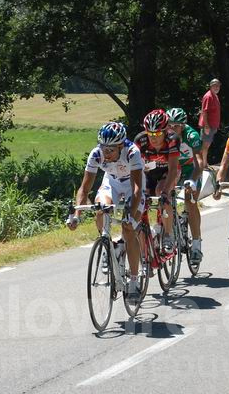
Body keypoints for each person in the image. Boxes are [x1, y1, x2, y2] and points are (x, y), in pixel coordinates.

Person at [67, 121, 145, 300]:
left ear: (120, 146)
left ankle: (133, 281)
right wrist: (76, 215)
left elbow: (137, 190)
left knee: (129, 229)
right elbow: (84, 189)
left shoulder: (132, 152)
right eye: (103, 148)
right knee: (100, 208)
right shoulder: (96, 155)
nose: (106, 153)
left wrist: (131, 217)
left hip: (133, 185)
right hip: (111, 183)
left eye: (110, 150)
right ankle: (106, 246)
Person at [135, 109, 180, 253]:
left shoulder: (173, 139)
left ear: (166, 130)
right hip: (149, 170)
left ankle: (168, 234)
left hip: (168, 171)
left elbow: (173, 169)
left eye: (158, 134)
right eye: (150, 133)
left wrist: (166, 192)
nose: (153, 138)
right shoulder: (140, 140)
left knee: (161, 192)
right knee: (142, 199)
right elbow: (136, 169)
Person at [167, 107, 204, 264]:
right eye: (170, 125)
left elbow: (200, 162)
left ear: (183, 125)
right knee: (165, 196)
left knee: (190, 201)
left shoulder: (191, 135)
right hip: (175, 168)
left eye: (177, 125)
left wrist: (193, 180)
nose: (173, 128)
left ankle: (196, 245)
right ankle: (167, 235)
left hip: (191, 169)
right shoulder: (165, 136)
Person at [198, 79, 221, 170]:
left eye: (218, 86)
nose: (217, 87)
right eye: (215, 85)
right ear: (211, 86)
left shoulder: (215, 96)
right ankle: (203, 164)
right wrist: (206, 125)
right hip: (208, 126)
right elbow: (205, 111)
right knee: (205, 145)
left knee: (207, 145)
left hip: (213, 125)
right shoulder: (208, 96)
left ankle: (204, 162)